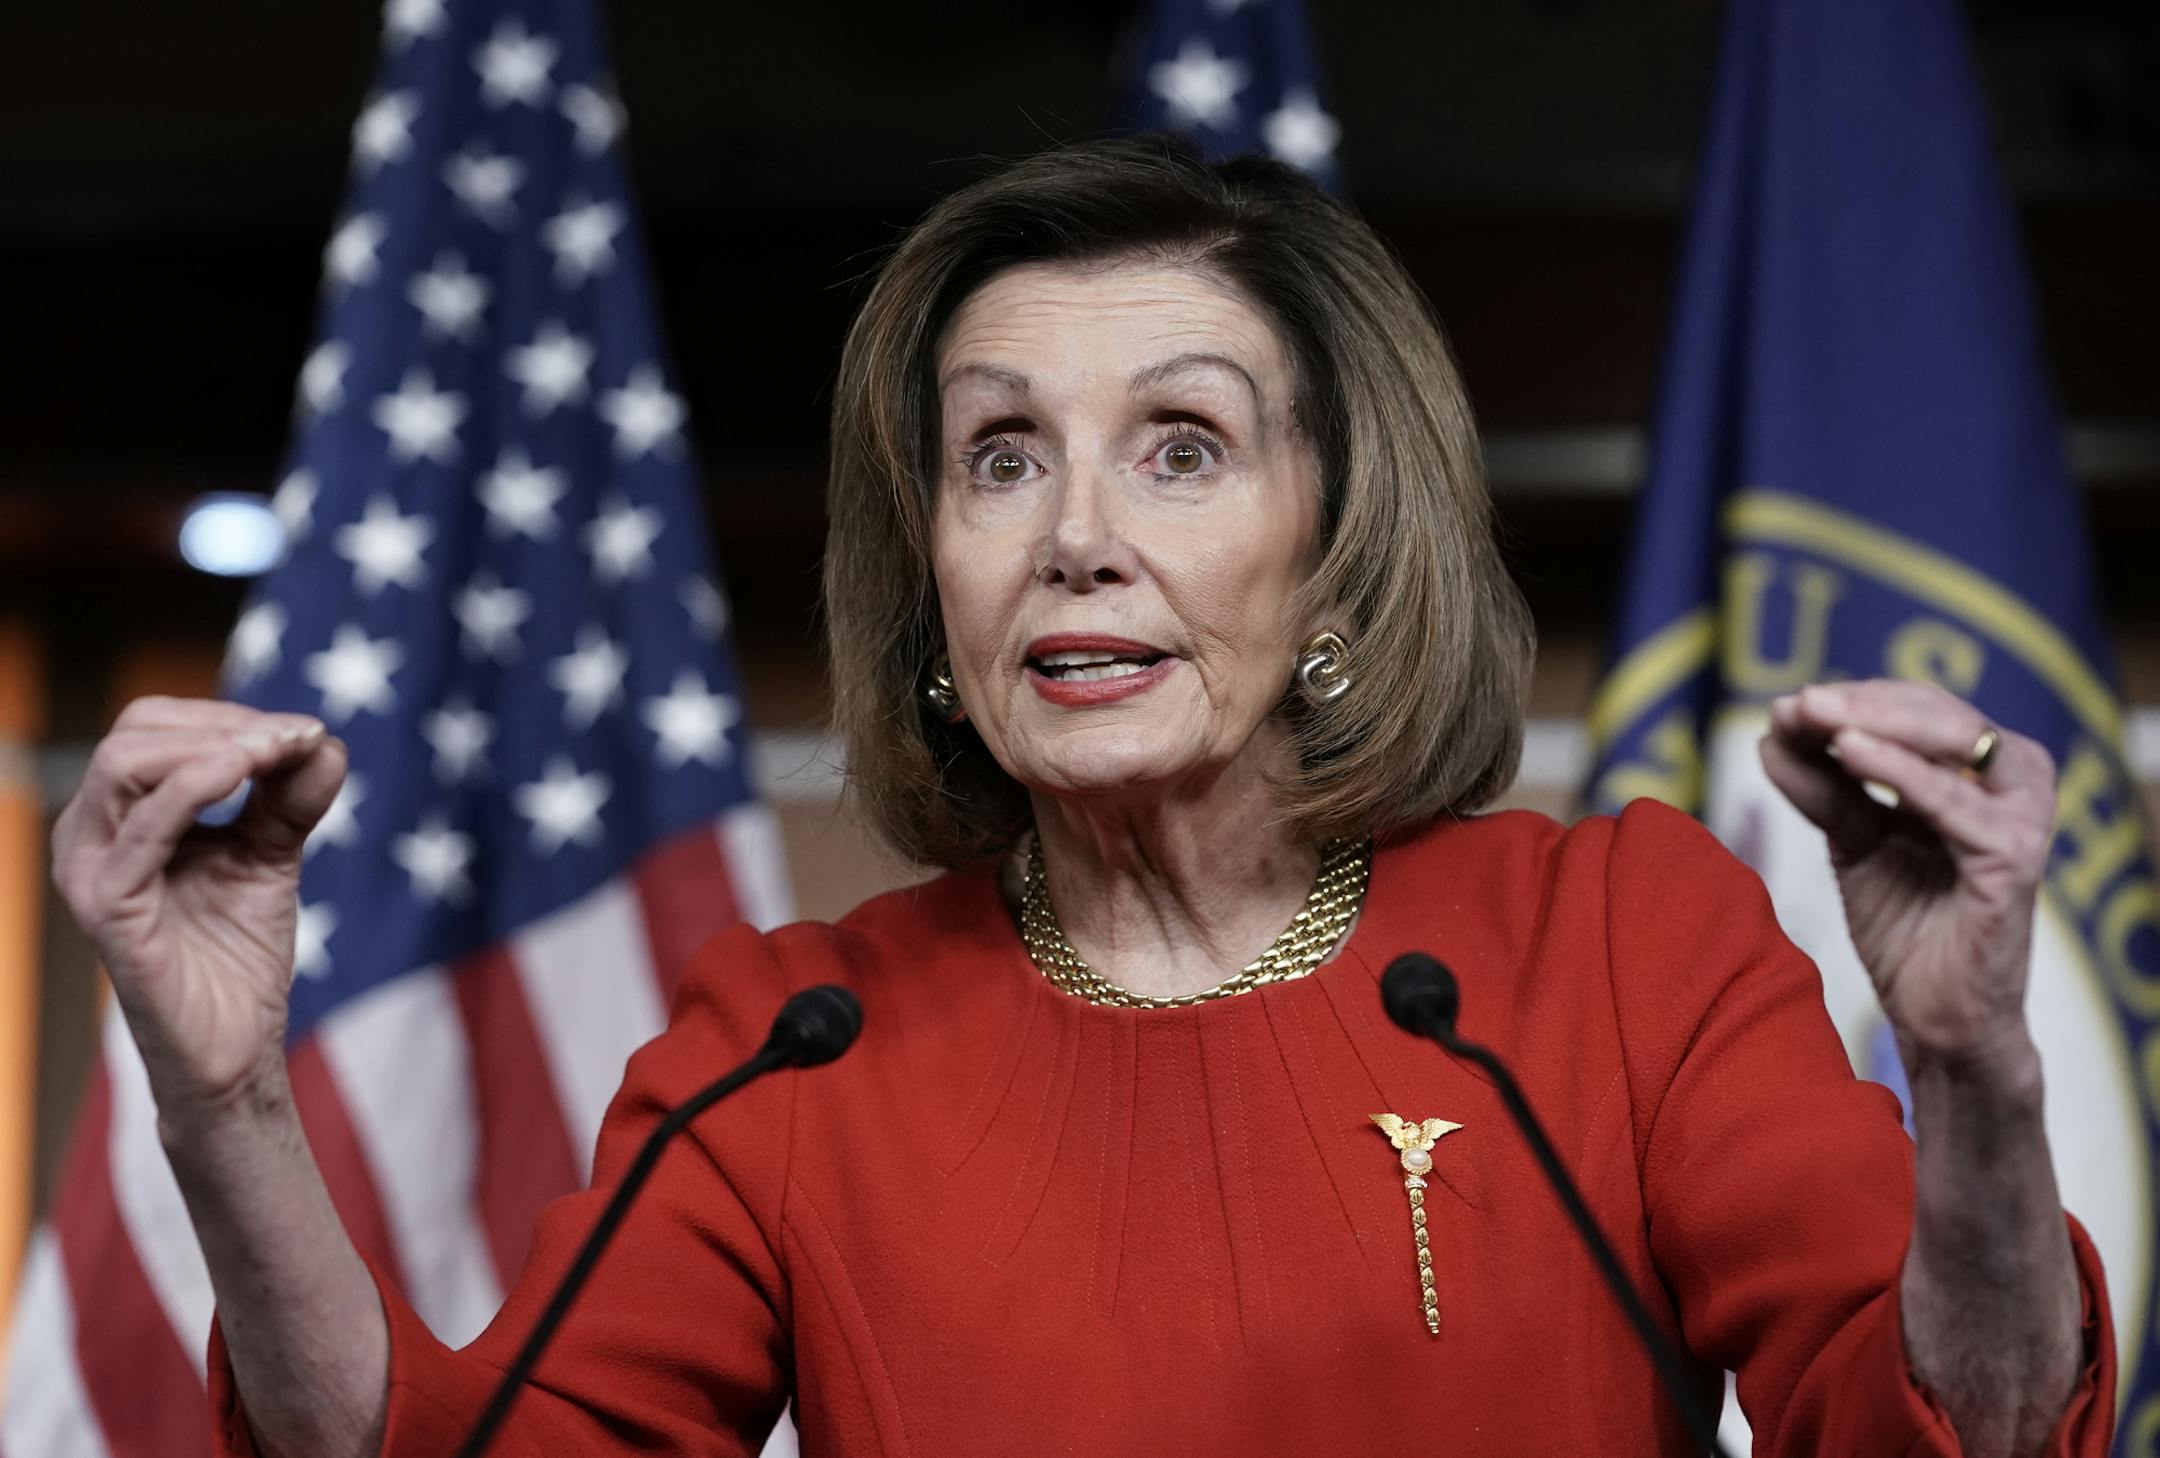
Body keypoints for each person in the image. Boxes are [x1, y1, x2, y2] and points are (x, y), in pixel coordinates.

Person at [54, 136, 2113, 1458]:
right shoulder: (795, 1040)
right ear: (936, 574)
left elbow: (1964, 1432)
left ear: (1338, 549)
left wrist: (1978, 1069)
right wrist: (222, 1098)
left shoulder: (1611, 946)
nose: (1076, 537)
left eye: (1185, 449)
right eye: (1003, 455)